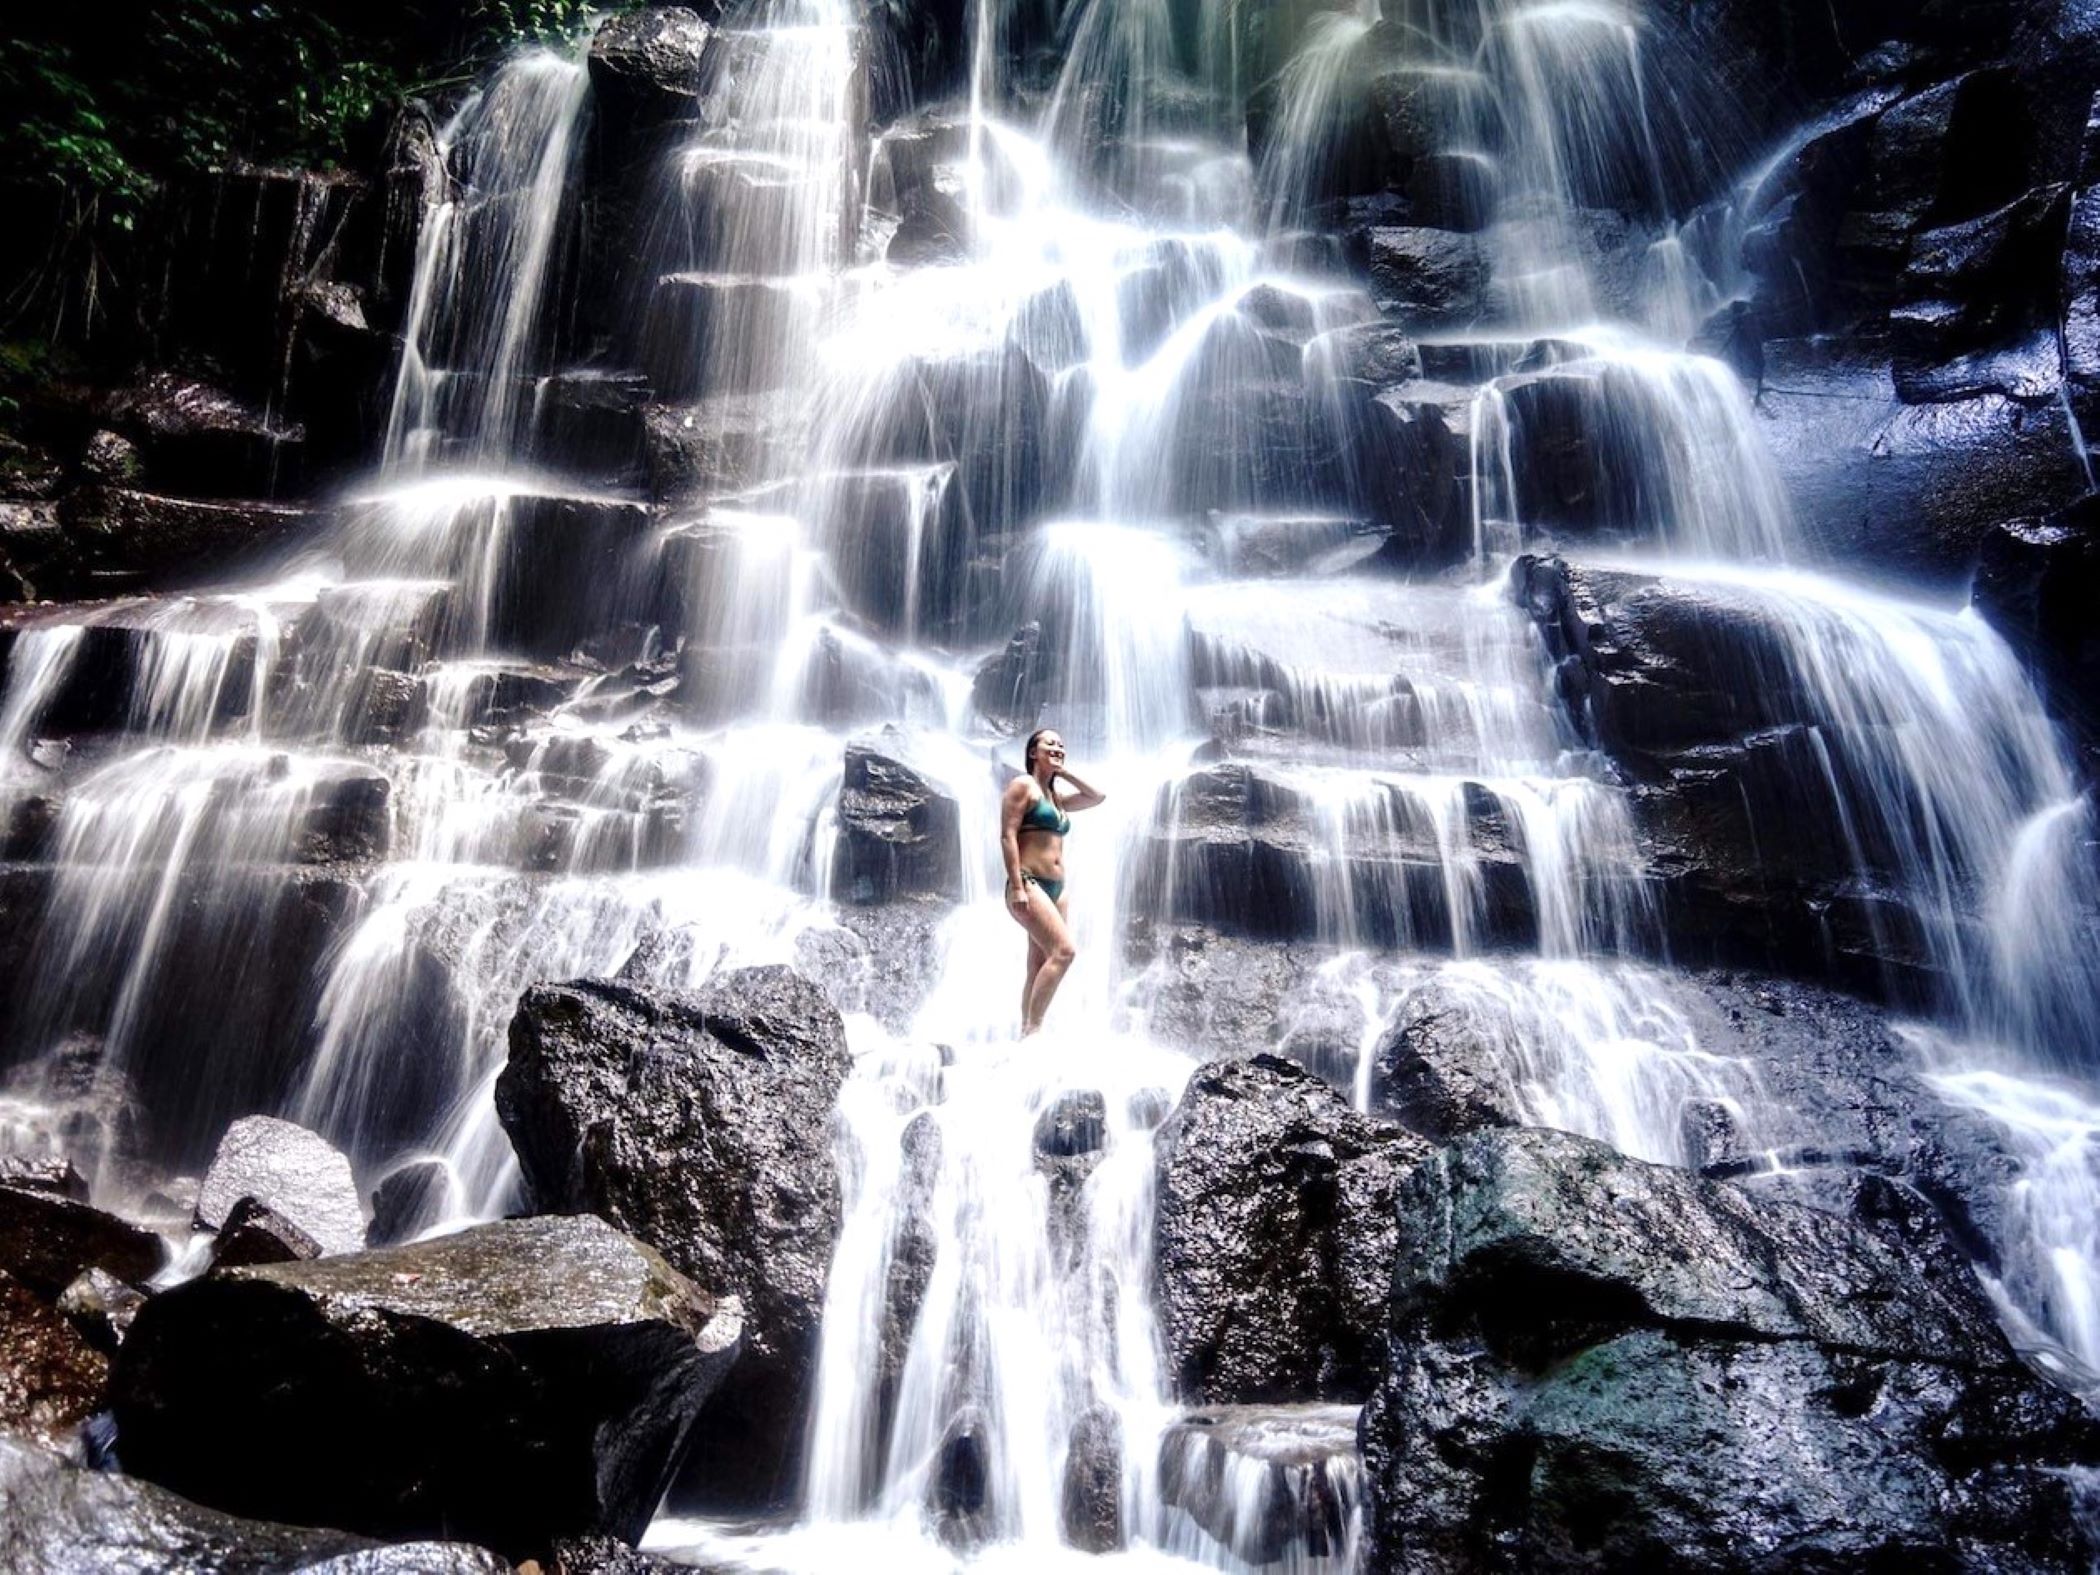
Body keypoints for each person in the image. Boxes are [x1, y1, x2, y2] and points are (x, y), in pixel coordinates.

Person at [1000, 728, 1104, 1035]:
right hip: (1029, 883)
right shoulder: (1024, 786)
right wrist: (1017, 885)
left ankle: (1023, 1032)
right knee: (1065, 952)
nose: (1058, 747)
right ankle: (1035, 1029)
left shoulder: (1056, 797)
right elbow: (1007, 835)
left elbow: (1097, 797)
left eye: (1062, 744)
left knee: (1038, 962)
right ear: (1033, 752)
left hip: (1057, 890)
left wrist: (1064, 772)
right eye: (1050, 743)